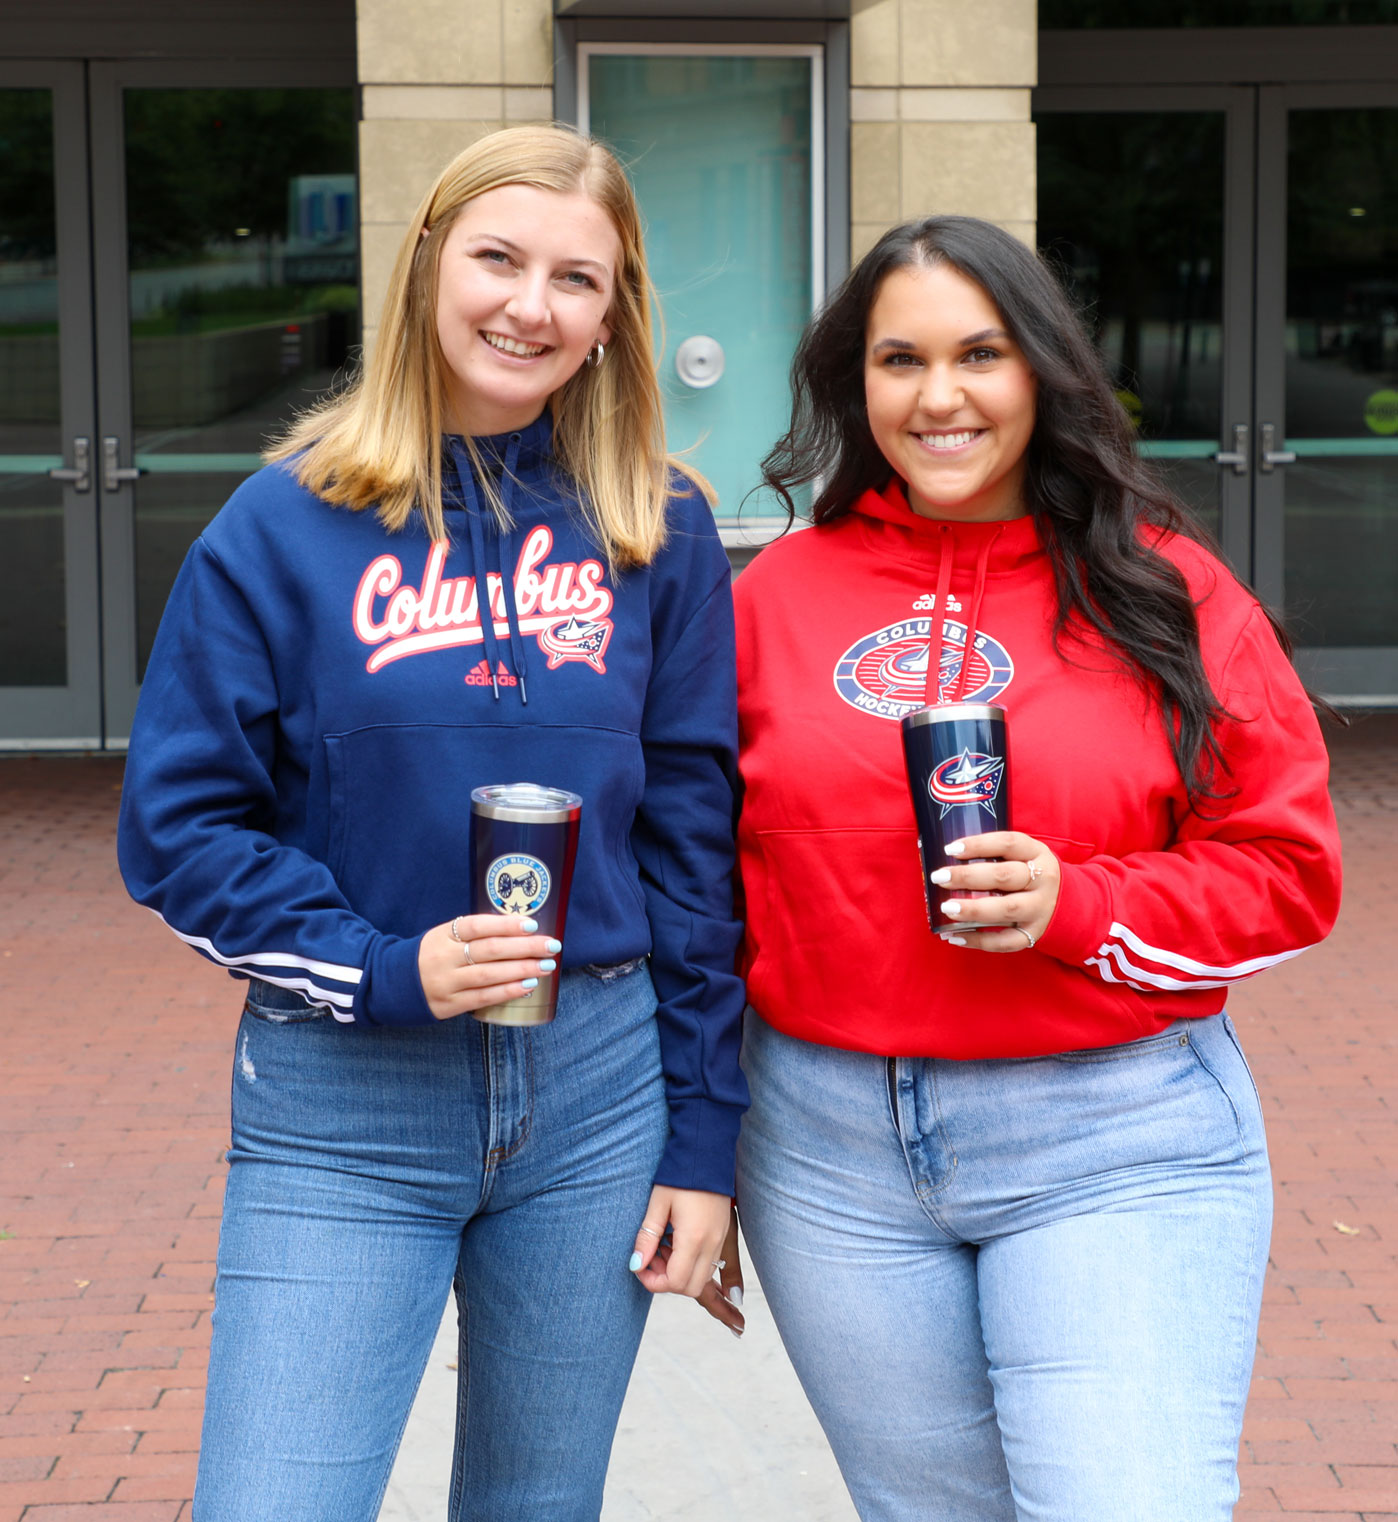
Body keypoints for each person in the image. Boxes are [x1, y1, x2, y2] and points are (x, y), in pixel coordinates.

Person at [117, 124, 747, 1522]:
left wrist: (704, 1143)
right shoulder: (282, 523)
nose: (532, 305)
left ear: (611, 316)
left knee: (536, 1505)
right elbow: (175, 831)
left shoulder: (661, 525)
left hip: (597, 1090)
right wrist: (380, 962)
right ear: (426, 267)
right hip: (345, 1096)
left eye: (577, 279)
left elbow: (696, 844)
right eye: (500, 259)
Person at [720, 215, 1342, 1521]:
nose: (937, 396)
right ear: (854, 382)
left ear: (1042, 373)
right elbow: (699, 882)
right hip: (827, 1156)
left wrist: (1080, 901)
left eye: (978, 355)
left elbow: (1285, 874)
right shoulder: (770, 594)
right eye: (899, 360)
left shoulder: (1164, 593)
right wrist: (685, 1141)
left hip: (1111, 1136)